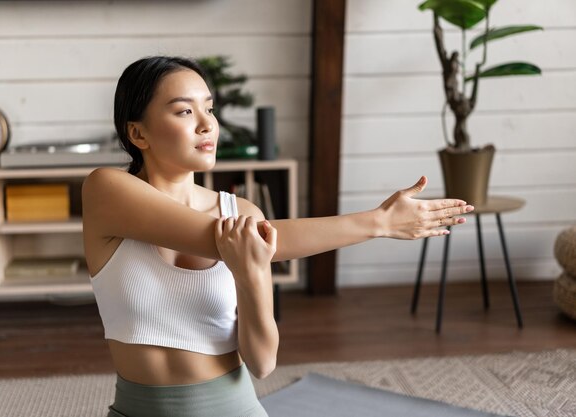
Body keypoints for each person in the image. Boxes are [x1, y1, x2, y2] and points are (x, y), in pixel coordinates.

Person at [81, 55, 475, 417]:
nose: (207, 124)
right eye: (185, 110)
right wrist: (379, 222)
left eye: (210, 108)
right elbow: (231, 239)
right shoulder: (106, 191)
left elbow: (263, 362)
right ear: (138, 133)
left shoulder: (243, 214)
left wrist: (251, 274)